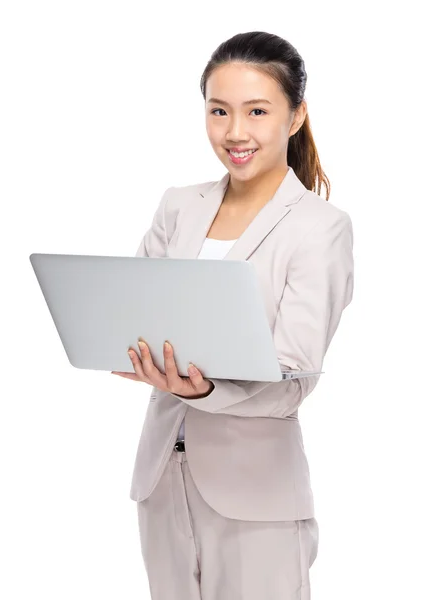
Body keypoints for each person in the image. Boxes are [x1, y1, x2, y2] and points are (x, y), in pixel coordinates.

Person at [112, 30, 354, 600]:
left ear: (294, 118)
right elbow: (136, 310)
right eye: (219, 111)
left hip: (257, 496)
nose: (234, 132)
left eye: (257, 111)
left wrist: (202, 391)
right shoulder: (179, 205)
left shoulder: (320, 228)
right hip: (163, 482)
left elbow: (294, 380)